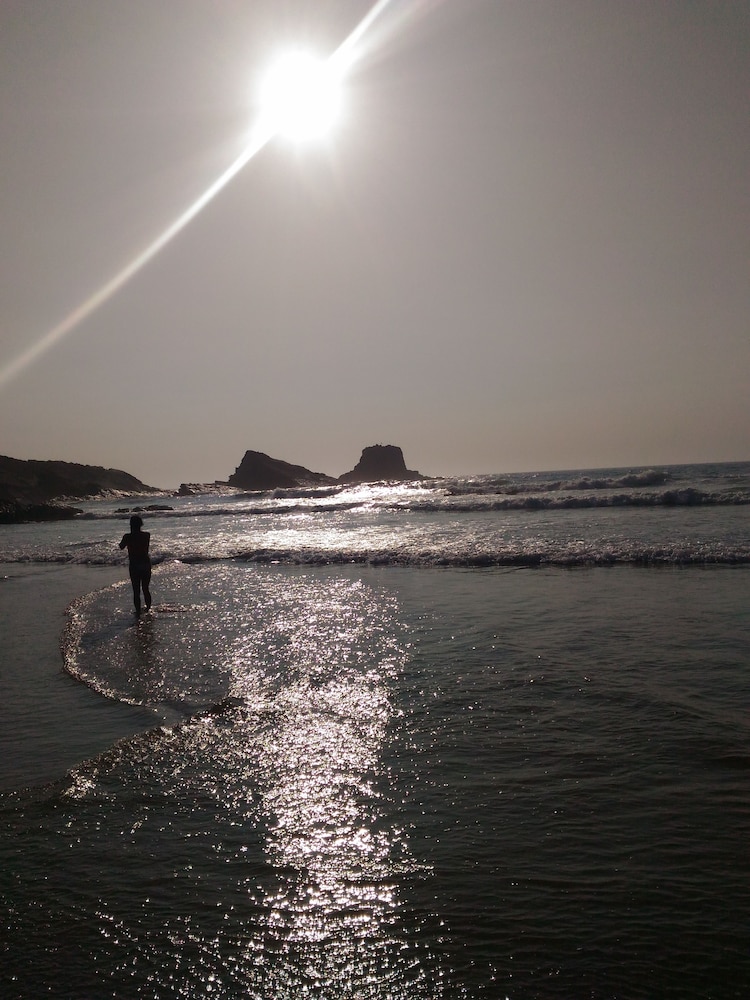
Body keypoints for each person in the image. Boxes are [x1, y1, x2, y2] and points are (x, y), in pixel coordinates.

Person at [119, 514, 152, 616]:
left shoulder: (127, 537)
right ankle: (148, 609)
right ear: (141, 524)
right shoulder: (146, 535)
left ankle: (138, 612)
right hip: (145, 563)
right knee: (145, 588)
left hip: (134, 565)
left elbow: (121, 546)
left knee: (136, 590)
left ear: (131, 525)